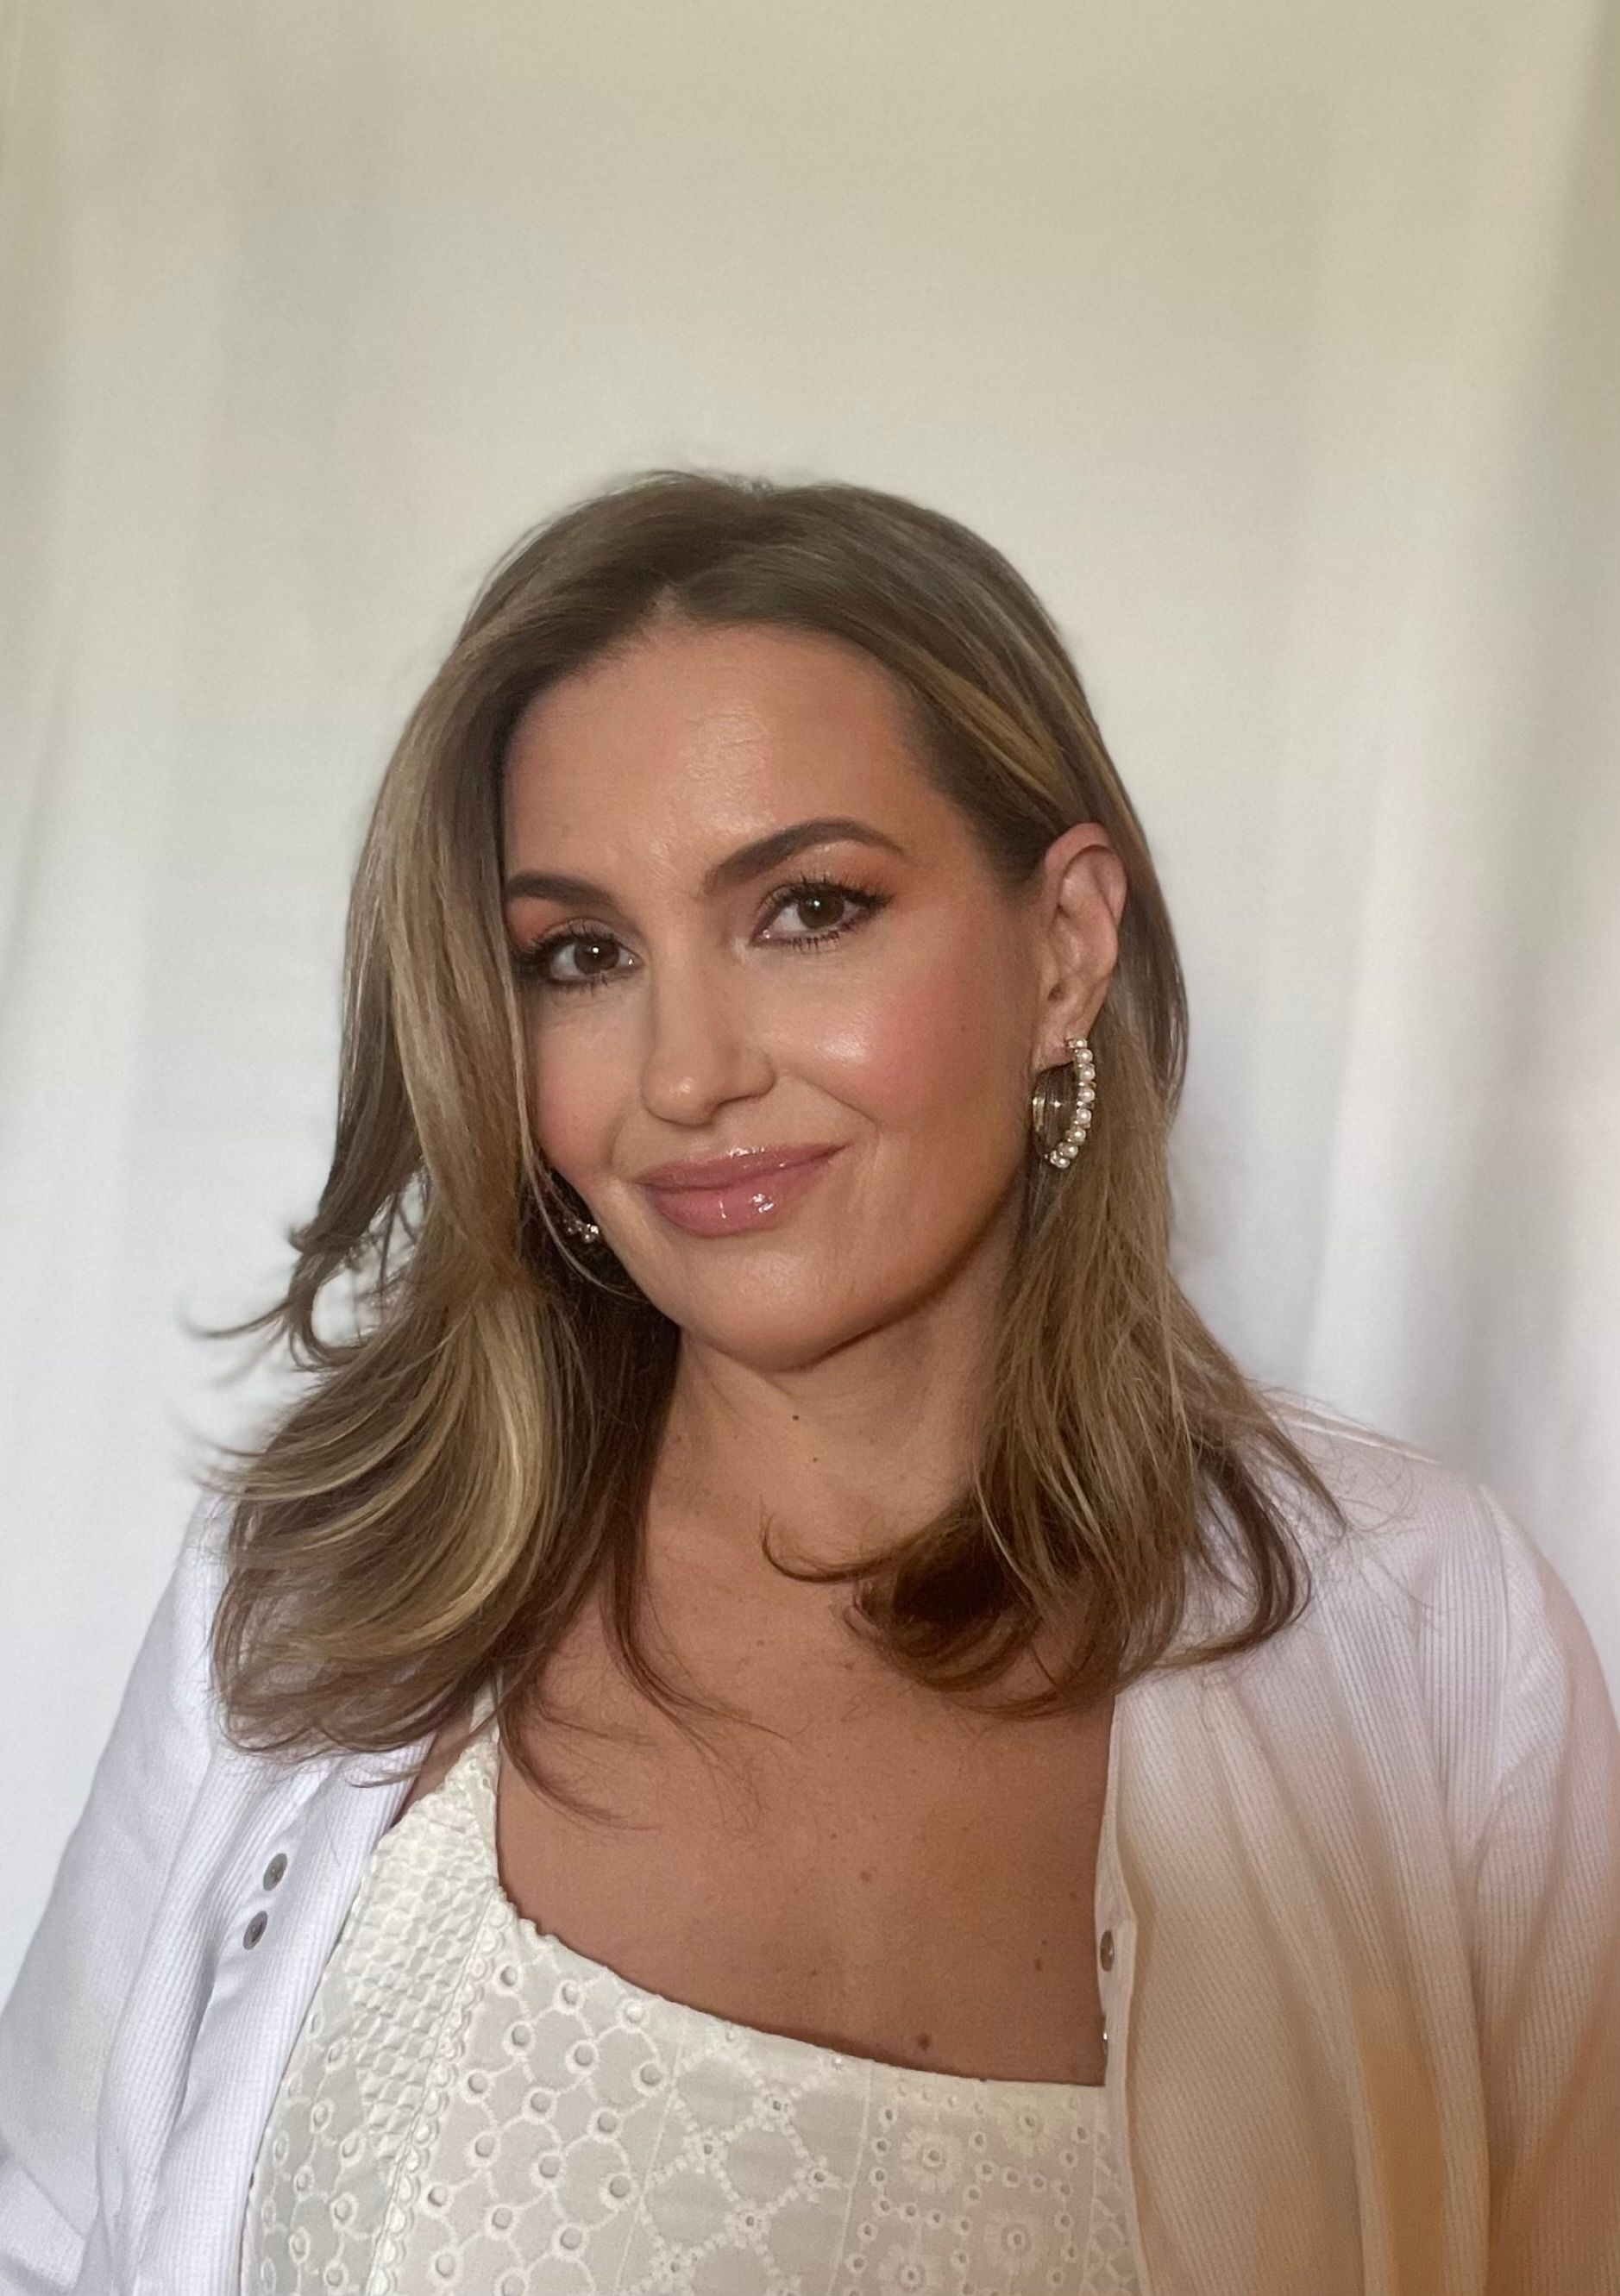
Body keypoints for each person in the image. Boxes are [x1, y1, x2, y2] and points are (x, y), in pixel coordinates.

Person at [1, 469, 1616, 2296]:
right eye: (582, 955)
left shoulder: (1431, 1644)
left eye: (809, 908)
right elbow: (48, 2233)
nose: (685, 1071)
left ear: (1067, 947)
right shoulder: (322, 1581)